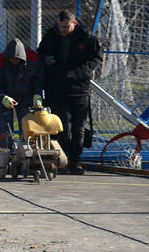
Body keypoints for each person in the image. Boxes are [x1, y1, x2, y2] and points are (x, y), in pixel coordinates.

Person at [37, 10, 102, 174]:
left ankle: (75, 160)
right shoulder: (51, 35)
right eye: (60, 26)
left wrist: (79, 72)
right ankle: (63, 160)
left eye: (66, 26)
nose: (62, 30)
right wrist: (45, 59)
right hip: (57, 89)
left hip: (80, 89)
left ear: (74, 23)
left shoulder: (87, 38)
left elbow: (96, 59)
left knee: (79, 128)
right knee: (62, 127)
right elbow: (41, 51)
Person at [0, 38, 44, 149]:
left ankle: (27, 152)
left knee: (29, 129)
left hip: (27, 98)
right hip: (5, 98)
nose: (14, 61)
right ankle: (5, 153)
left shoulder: (33, 60)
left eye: (17, 59)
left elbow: (39, 79)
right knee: (4, 131)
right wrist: (2, 97)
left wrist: (37, 94)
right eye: (12, 59)